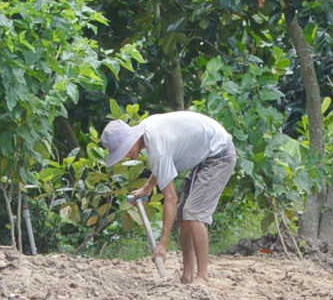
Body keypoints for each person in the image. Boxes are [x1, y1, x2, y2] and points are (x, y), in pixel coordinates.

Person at [101, 110, 237, 285]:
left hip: (220, 154)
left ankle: (202, 276)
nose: (125, 155)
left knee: (194, 213)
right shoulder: (149, 133)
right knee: (183, 214)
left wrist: (163, 244)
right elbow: (163, 165)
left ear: (132, 139)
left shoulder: (156, 147)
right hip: (205, 155)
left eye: (125, 150)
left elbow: (171, 198)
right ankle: (187, 276)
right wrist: (148, 187)